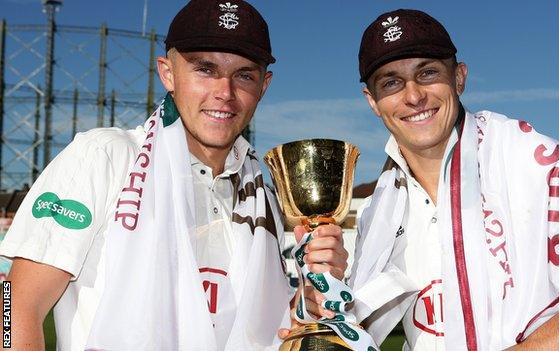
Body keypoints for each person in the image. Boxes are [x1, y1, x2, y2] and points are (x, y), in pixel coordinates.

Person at [0, 1, 347, 350]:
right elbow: (13, 302)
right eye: (205, 69)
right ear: (168, 73)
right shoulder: (105, 156)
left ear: (264, 85)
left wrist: (306, 303)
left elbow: (254, 325)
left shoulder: (263, 193)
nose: (224, 93)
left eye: (244, 75)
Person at [349, 9, 559, 351]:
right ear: (373, 102)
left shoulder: (539, 163)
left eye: (428, 72)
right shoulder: (375, 213)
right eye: (391, 82)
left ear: (459, 77)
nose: (414, 96)